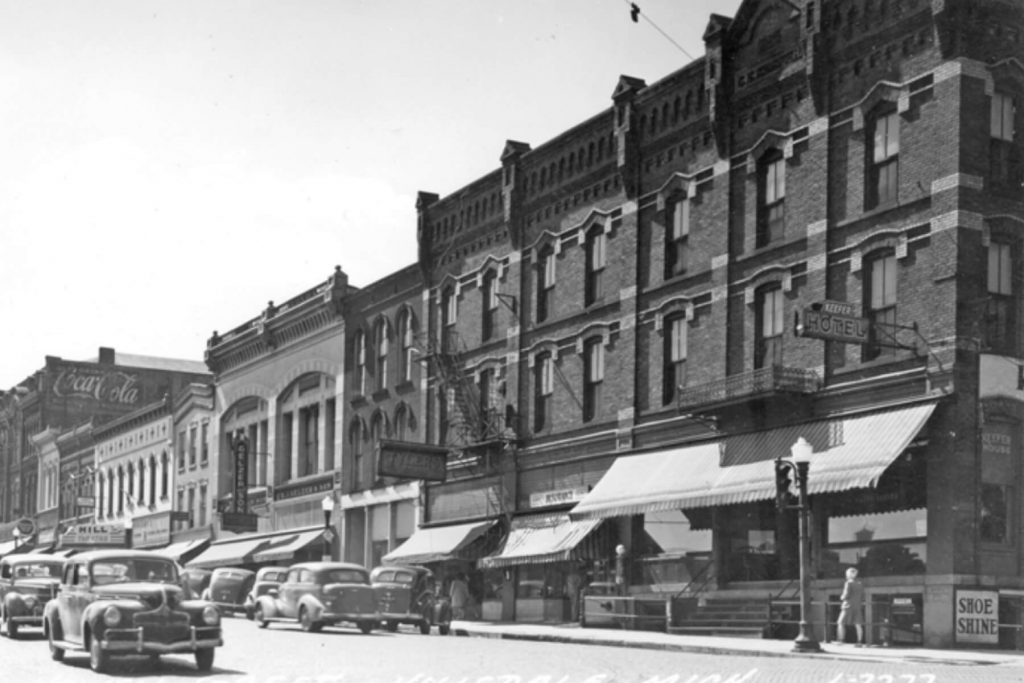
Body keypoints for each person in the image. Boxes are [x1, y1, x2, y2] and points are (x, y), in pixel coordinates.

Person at [836, 567, 865, 646]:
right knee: (858, 624)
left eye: (847, 573)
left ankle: (841, 640)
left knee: (840, 622)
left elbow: (845, 595)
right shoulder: (860, 584)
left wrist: (841, 597)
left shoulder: (848, 583)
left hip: (848, 606)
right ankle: (859, 642)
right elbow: (862, 596)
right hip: (857, 606)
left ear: (849, 574)